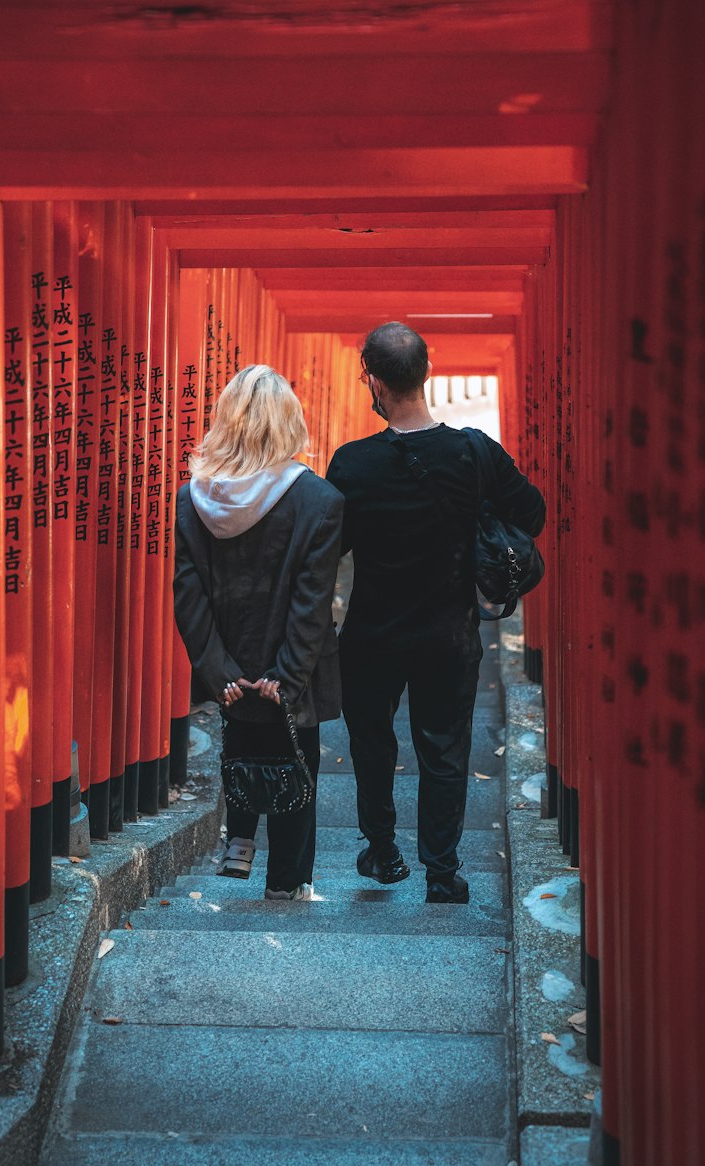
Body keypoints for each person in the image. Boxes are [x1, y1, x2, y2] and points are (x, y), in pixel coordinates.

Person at [326, 322, 545, 904]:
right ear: (429, 370)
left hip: (373, 632)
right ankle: (442, 873)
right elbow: (532, 511)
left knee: (372, 743)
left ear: (370, 379)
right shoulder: (474, 452)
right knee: (445, 750)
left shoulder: (351, 463)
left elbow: (334, 548)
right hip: (449, 630)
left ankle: (382, 851)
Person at [174, 364, 344, 900]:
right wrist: (286, 677)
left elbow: (189, 595)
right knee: (296, 764)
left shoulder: (192, 499)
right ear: (289, 422)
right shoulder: (318, 501)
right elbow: (311, 602)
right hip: (289, 671)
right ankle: (286, 882)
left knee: (240, 744)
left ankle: (240, 846)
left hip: (228, 662)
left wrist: (219, 670)